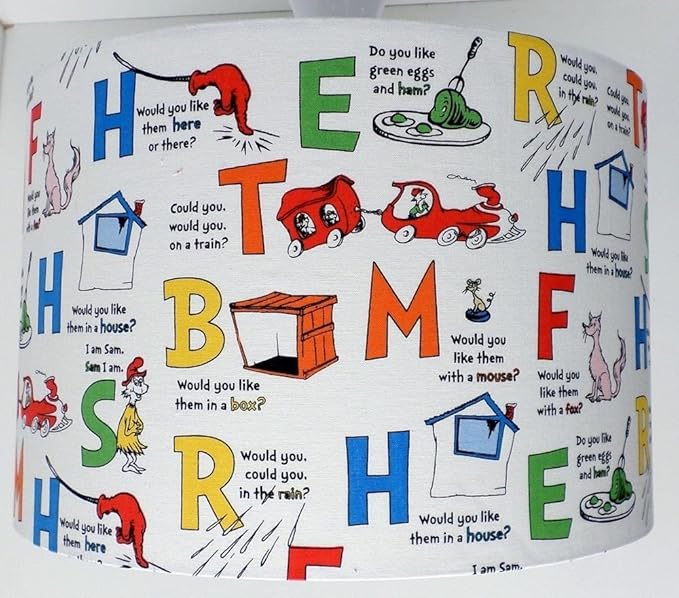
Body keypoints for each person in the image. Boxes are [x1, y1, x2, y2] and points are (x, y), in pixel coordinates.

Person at [116, 357, 149, 474]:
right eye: (138, 383)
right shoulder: (129, 409)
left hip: (130, 437)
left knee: (133, 457)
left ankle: (132, 465)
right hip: (126, 438)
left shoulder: (132, 407)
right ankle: (127, 467)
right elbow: (126, 426)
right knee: (131, 457)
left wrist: (139, 425)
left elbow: (135, 419)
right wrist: (135, 429)